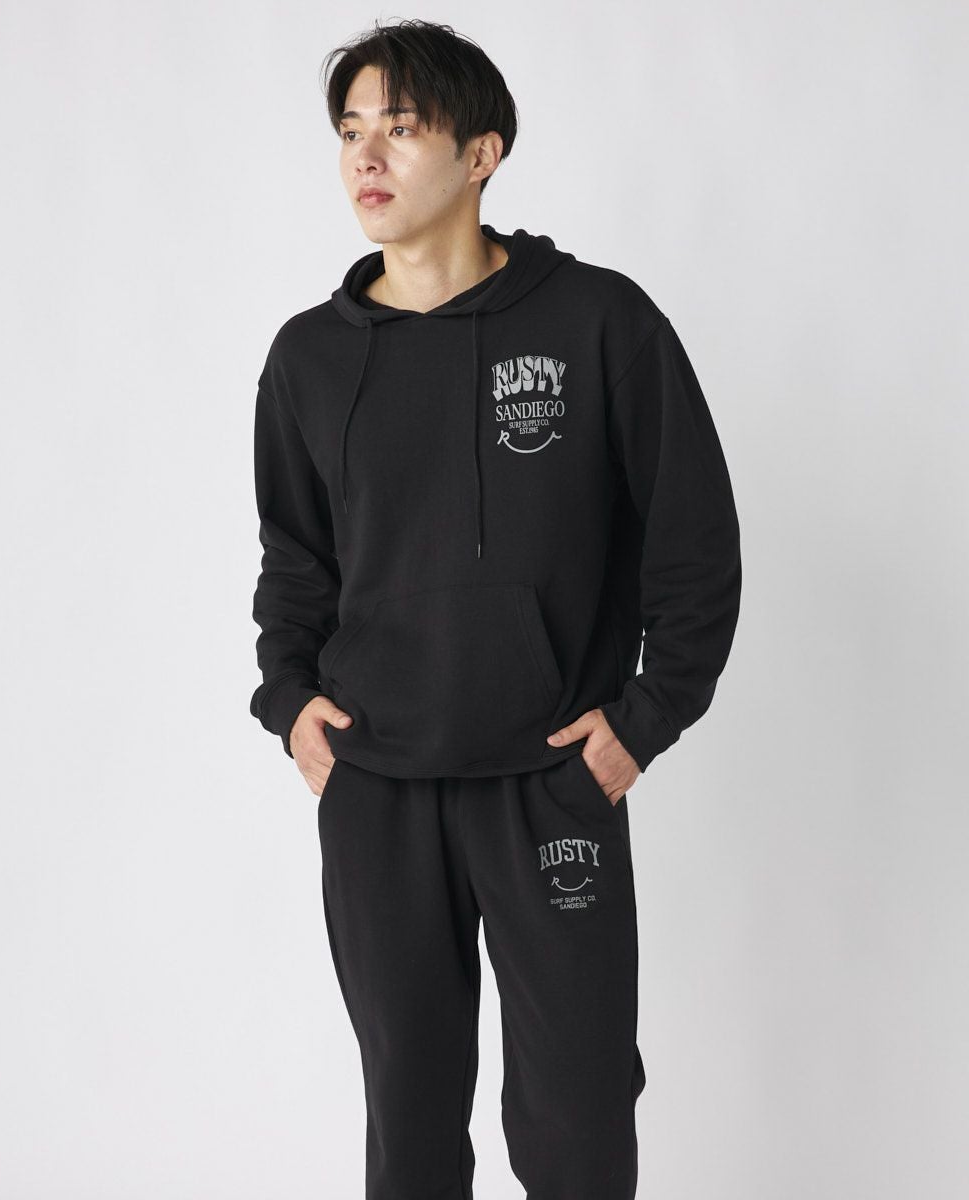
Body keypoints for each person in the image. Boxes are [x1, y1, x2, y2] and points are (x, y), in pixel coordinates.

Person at [248, 18, 741, 1200]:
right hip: (377, 786)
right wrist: (291, 702)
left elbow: (693, 546)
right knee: (409, 1118)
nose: (366, 157)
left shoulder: (601, 324)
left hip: (550, 777)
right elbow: (295, 563)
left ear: (481, 154)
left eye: (401, 128)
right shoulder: (309, 359)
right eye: (351, 131)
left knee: (576, 1121)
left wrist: (643, 722)